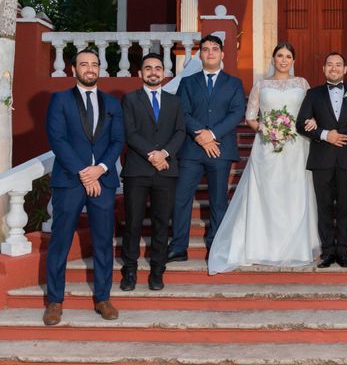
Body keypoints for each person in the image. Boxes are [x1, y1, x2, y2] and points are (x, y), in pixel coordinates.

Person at [208, 43, 321, 273]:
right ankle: (262, 245)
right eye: (279, 55)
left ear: (293, 60)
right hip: (267, 146)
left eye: (288, 56)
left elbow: (312, 113)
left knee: (295, 193)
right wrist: (267, 129)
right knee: (266, 193)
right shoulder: (261, 84)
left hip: (297, 145)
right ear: (273, 59)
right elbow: (250, 117)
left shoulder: (302, 84)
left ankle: (297, 247)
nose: (283, 60)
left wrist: (313, 122)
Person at [43, 49, 124, 326]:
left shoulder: (113, 103)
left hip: (103, 181)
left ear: (99, 68)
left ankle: (103, 298)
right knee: (60, 241)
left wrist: (99, 169)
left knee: (103, 242)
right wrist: (83, 172)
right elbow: (58, 139)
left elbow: (117, 141)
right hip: (69, 181)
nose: (90, 68)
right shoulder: (60, 100)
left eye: (94, 64)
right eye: (84, 64)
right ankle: (54, 301)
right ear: (73, 69)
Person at [168, 35, 245, 262]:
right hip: (191, 150)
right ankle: (178, 247)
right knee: (181, 198)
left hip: (220, 149)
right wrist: (201, 135)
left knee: (218, 200)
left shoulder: (234, 84)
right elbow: (182, 112)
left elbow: (236, 113)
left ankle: (216, 246)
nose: (210, 53)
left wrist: (211, 135)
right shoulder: (188, 83)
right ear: (200, 54)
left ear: (222, 54)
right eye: (206, 49)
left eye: (214, 49)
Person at [296, 52, 347, 268]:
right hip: (322, 160)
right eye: (330, 65)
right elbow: (301, 123)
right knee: (324, 207)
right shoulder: (313, 94)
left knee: (346, 207)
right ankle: (328, 251)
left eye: (338, 64)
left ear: (345, 69)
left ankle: (342, 250)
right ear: (324, 69)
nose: (334, 68)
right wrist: (324, 133)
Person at [120, 53, 186, 291]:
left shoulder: (175, 102)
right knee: (133, 223)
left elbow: (180, 132)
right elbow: (130, 132)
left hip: (166, 172)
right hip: (137, 170)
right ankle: (129, 270)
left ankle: (157, 270)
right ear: (141, 73)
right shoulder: (129, 100)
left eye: (157, 68)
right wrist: (152, 155)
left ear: (164, 73)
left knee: (161, 223)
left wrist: (164, 154)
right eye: (148, 68)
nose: (153, 72)